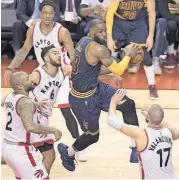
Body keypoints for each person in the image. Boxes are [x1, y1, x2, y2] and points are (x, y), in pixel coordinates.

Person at [4, 0, 87, 161]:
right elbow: (25, 49)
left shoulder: (61, 31)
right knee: (31, 106)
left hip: (62, 72)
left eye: (51, 13)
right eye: (45, 13)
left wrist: (78, 73)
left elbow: (73, 55)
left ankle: (78, 147)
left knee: (65, 108)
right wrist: (10, 67)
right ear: (40, 13)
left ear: (55, 14)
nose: (48, 16)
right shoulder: (33, 28)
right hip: (43, 70)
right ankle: (25, 144)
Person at [58, 19, 141, 171]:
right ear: (91, 30)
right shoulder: (98, 49)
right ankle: (68, 153)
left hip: (97, 88)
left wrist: (110, 74)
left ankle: (136, 149)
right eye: (100, 31)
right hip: (82, 99)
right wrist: (128, 56)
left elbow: (89, 70)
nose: (103, 34)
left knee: (128, 104)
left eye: (105, 30)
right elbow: (119, 70)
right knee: (92, 136)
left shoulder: (83, 41)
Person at [2, 71, 62, 179]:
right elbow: (30, 126)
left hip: (7, 148)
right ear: (20, 86)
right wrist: (53, 130)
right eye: (27, 78)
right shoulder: (25, 103)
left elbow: (15, 106)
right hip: (21, 150)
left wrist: (34, 104)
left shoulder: (10, 96)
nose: (32, 79)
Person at [108, 90, 179, 179]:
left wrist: (113, 102)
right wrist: (154, 118)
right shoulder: (169, 132)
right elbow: (175, 131)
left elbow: (111, 120)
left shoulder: (142, 134)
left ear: (148, 117)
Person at [28, 45, 71, 174]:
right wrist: (33, 103)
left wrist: (111, 71)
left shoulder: (63, 70)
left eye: (59, 53)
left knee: (19, 150)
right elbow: (20, 90)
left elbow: (87, 71)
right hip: (34, 115)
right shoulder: (37, 74)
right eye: (54, 53)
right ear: (46, 58)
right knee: (49, 156)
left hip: (43, 116)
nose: (59, 55)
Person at [106, 0, 158, 99]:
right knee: (113, 51)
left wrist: (151, 36)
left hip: (138, 22)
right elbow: (110, 12)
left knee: (143, 54)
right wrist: (109, 37)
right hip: (119, 21)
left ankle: (152, 86)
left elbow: (151, 12)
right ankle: (110, 87)